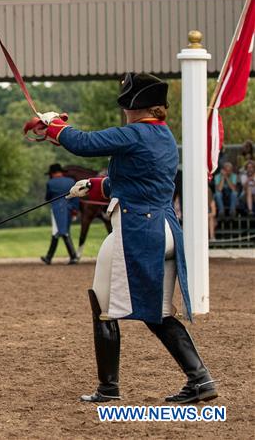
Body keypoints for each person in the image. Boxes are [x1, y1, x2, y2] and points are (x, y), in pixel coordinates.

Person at [26, 72, 217, 404]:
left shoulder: (135, 133)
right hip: (166, 230)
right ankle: (200, 380)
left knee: (102, 305)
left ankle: (108, 388)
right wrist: (95, 187)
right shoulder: (163, 137)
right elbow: (135, 183)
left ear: (134, 107)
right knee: (158, 313)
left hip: (137, 230)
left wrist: (54, 125)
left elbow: (83, 143)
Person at [40, 163, 80, 264]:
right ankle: (49, 257)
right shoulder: (71, 181)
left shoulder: (51, 183)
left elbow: (48, 197)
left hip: (57, 209)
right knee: (60, 231)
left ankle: (73, 256)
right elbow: (76, 197)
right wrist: (75, 209)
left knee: (60, 231)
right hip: (70, 209)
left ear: (52, 173)